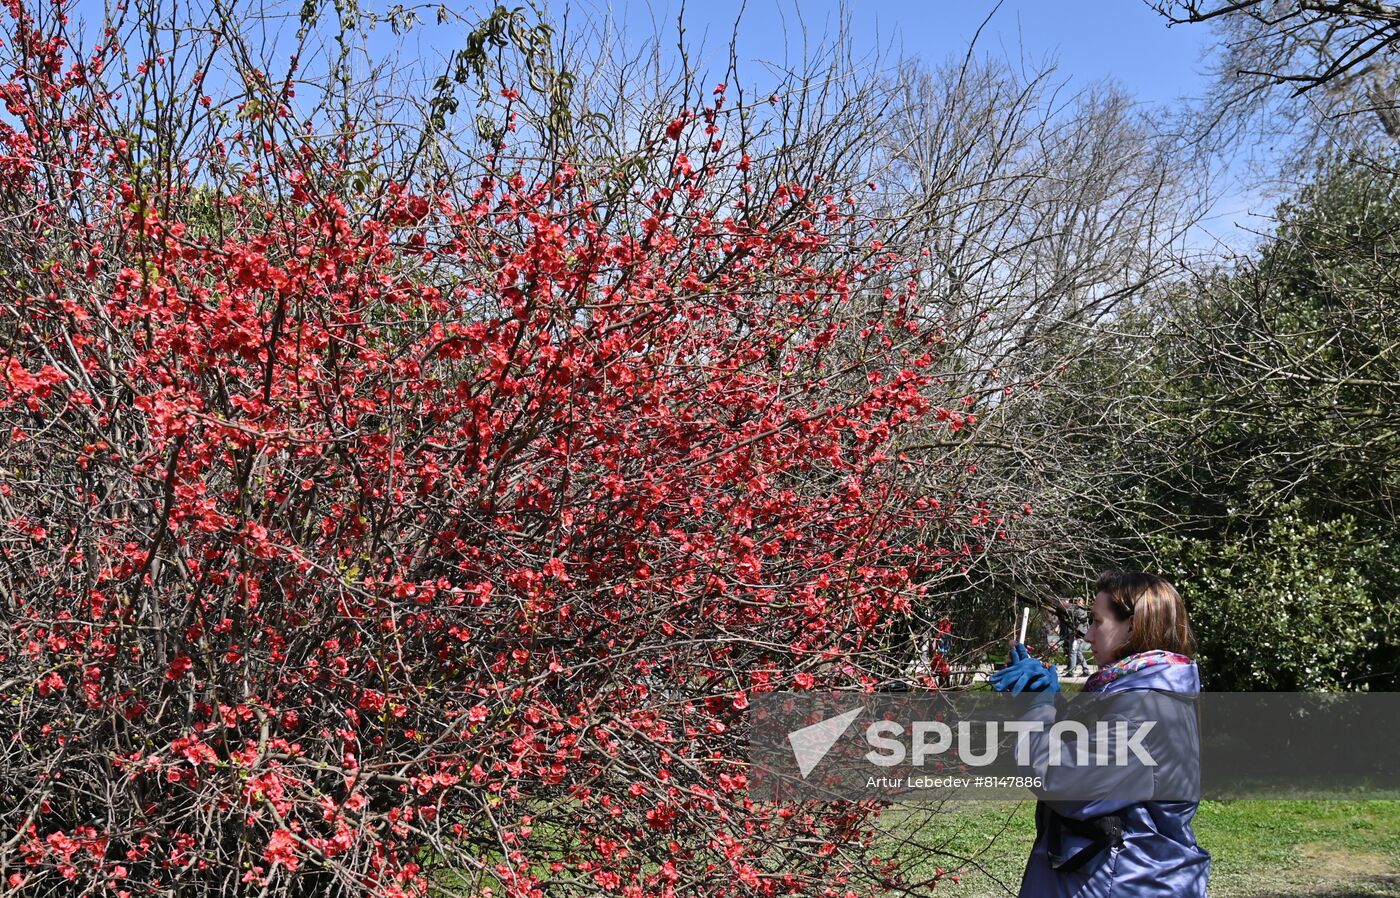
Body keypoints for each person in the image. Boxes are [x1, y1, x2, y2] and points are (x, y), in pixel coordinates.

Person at [989, 570, 1210, 897]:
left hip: (1122, 883)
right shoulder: (1134, 693)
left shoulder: (1143, 707)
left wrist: (1038, 708)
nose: (1088, 636)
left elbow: (1061, 780)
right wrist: (1055, 705)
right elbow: (1092, 754)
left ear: (1132, 626)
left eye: (1096, 622)